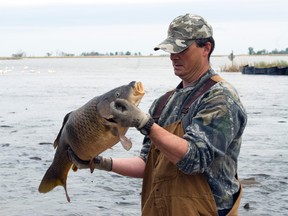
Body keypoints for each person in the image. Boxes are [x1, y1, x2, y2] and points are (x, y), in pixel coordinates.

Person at [68, 13, 247, 216]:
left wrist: (145, 123)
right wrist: (100, 162)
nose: (173, 56)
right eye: (170, 50)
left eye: (181, 49)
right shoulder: (164, 103)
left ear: (206, 48)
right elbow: (148, 164)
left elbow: (194, 159)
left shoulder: (221, 98)